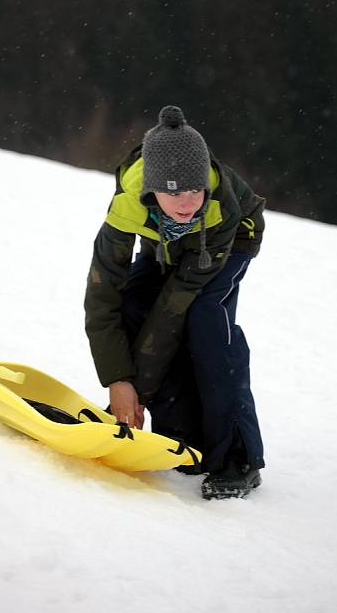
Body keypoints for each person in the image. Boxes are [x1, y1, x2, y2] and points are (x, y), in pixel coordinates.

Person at [84, 105, 265, 499]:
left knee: (204, 322)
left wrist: (137, 393)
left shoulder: (217, 207)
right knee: (133, 301)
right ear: (151, 190)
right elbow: (102, 296)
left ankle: (238, 457)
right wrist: (118, 381)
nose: (186, 202)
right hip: (166, 245)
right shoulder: (129, 201)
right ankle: (183, 438)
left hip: (226, 242)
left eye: (194, 190)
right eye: (173, 192)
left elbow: (171, 310)